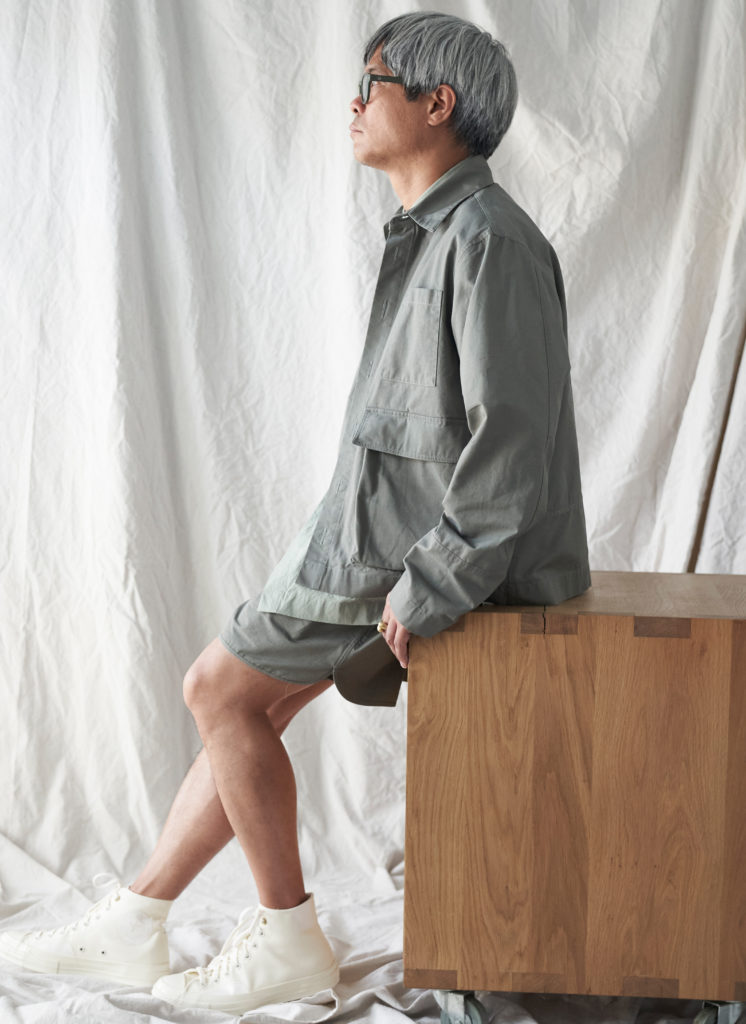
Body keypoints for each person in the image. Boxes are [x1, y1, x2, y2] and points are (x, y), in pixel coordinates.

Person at [0, 11, 590, 1015]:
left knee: (215, 690)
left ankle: (284, 936)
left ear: (436, 104)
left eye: (372, 85)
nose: (352, 104)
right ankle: (137, 920)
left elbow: (512, 443)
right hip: (371, 537)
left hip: (408, 557)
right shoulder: (434, 234)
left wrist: (434, 582)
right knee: (247, 703)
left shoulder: (486, 240)